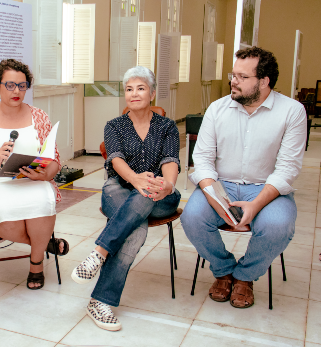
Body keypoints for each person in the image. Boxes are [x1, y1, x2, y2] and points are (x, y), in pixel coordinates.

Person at [181, 46, 307, 309]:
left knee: (278, 226)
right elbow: (202, 159)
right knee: (192, 217)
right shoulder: (217, 109)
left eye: (241, 76)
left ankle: (244, 276)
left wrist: (256, 204)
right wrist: (213, 195)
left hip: (267, 188)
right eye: (232, 74)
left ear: (264, 81)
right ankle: (223, 269)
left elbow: (287, 169)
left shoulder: (292, 112)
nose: (233, 81)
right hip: (221, 184)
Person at [71, 66, 181, 331]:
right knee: (136, 231)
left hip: (159, 196)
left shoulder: (167, 127)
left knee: (147, 193)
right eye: (129, 89)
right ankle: (99, 302)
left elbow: (170, 160)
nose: (134, 93)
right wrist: (136, 180)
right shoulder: (114, 126)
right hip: (119, 190)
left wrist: (167, 185)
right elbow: (115, 159)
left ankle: (99, 253)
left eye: (141, 88)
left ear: (152, 93)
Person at [0, 58, 69, 291]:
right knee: (3, 214)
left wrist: (45, 175)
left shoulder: (39, 116)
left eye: (22, 85)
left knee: (44, 201)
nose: (16, 91)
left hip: (33, 179)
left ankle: (36, 265)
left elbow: (55, 160)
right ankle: (44, 243)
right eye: (9, 85)